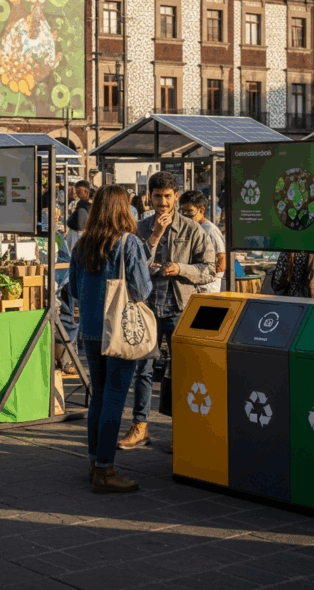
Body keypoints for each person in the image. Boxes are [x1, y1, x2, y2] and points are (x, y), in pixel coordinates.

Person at [118, 171, 215, 451]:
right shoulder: (141, 227)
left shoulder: (192, 229)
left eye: (167, 196)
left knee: (181, 370)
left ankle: (183, 429)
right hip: (147, 309)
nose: (162, 202)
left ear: (175, 196)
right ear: (150, 196)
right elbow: (131, 265)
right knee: (144, 369)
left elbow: (209, 268)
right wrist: (157, 235)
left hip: (178, 307)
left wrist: (180, 269)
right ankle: (140, 426)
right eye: (157, 196)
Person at [69, 185, 152, 493]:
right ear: (122, 209)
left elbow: (74, 291)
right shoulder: (128, 243)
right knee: (115, 398)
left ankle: (94, 462)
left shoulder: (82, 243)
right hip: (118, 330)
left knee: (99, 398)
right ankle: (106, 470)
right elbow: (142, 291)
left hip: (89, 330)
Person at [179, 190, 225, 293]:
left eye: (190, 211)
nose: (186, 215)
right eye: (183, 211)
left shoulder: (210, 230)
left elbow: (221, 260)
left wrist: (208, 278)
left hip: (207, 288)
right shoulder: (189, 228)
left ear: (201, 210)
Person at [66, 180, 91, 251]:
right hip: (75, 233)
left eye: (79, 191)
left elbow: (81, 226)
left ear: (87, 192)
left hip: (77, 235)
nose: (76, 193)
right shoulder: (80, 204)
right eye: (77, 191)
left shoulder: (84, 206)